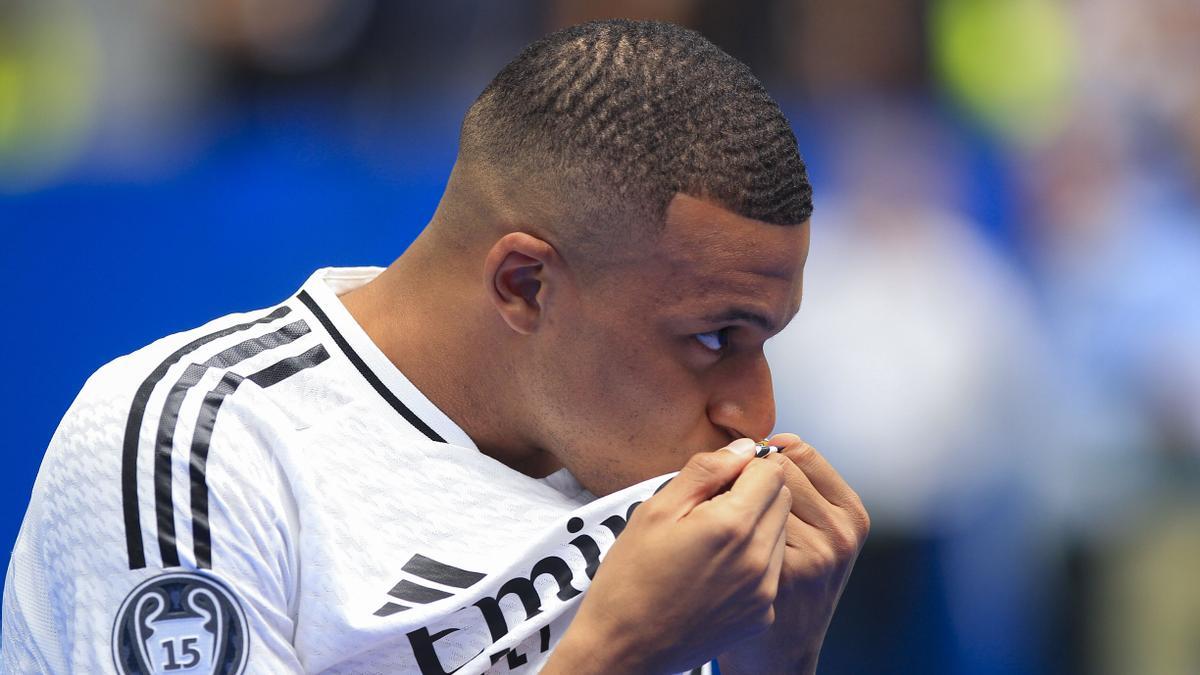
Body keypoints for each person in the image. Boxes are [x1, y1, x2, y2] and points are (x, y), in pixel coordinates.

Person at [1, 19, 868, 675]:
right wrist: (613, 654)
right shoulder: (197, 446)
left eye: (763, 343)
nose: (753, 411)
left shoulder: (642, 486)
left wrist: (769, 660)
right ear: (524, 285)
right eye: (715, 337)